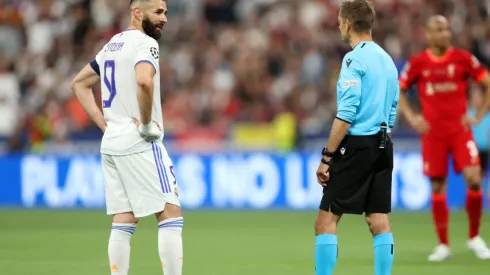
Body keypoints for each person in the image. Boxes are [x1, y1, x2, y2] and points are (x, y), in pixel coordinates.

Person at [71, 1, 184, 275]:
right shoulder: (146, 44)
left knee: (124, 219)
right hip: (139, 141)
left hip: (112, 143)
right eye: (158, 12)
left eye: (165, 12)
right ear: (137, 13)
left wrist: (104, 124)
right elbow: (144, 81)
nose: (165, 18)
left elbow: (79, 83)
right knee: (170, 214)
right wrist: (146, 124)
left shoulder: (112, 45)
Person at [314, 0, 399, 274]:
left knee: (325, 220)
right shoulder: (388, 60)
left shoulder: (354, 59)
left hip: (358, 145)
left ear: (348, 23)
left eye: (340, 21)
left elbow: (347, 113)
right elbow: (393, 107)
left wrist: (327, 156)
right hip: (384, 145)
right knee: (377, 220)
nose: (338, 25)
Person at [398, 15, 490, 262]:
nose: (445, 34)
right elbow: (399, 89)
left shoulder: (462, 58)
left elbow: (487, 82)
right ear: (428, 34)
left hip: (460, 130)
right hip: (433, 134)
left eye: (447, 30)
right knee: (438, 186)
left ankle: (474, 237)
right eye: (439, 30)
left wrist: (479, 115)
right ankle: (443, 244)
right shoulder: (418, 63)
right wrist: (413, 117)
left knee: (474, 177)